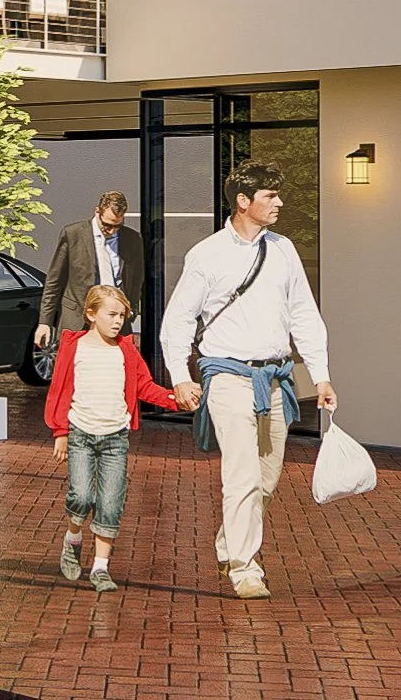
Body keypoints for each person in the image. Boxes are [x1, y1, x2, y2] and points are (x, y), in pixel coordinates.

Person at [160, 161, 335, 600]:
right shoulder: (207, 254)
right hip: (228, 377)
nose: (280, 202)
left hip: (276, 378)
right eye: (270, 196)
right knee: (241, 475)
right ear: (243, 201)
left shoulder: (284, 250)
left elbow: (304, 315)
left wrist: (322, 375)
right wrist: (180, 377)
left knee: (268, 478)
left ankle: (228, 541)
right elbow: (177, 321)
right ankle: (244, 566)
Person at [44, 284, 179, 592]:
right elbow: (60, 391)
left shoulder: (126, 350)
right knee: (80, 496)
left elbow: (145, 387)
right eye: (112, 314)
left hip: (115, 438)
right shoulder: (73, 347)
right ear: (91, 314)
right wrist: (60, 432)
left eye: (123, 315)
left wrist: (176, 399)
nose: (118, 321)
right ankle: (73, 538)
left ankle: (101, 568)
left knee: (110, 502)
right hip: (80, 433)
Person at [37, 191, 147, 353]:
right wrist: (45, 322)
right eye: (107, 225)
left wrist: (132, 309)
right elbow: (54, 281)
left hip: (116, 321)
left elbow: (137, 279)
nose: (112, 231)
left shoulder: (132, 239)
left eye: (118, 225)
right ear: (97, 212)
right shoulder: (73, 234)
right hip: (77, 319)